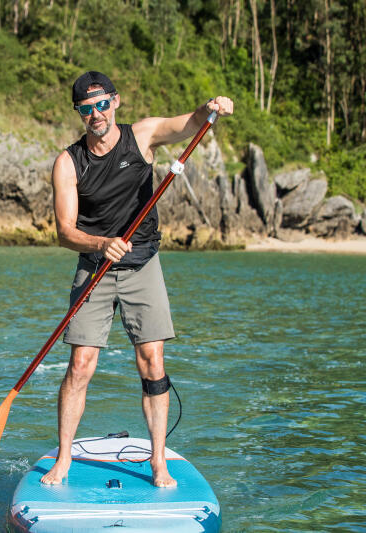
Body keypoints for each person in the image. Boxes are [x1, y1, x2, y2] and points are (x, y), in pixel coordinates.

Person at [41, 72, 233, 487]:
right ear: (79, 113)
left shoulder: (141, 136)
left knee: (152, 361)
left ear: (116, 101)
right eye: (86, 108)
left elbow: (187, 123)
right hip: (95, 265)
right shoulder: (67, 161)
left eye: (102, 104)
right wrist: (99, 243)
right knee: (80, 365)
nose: (97, 114)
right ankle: (64, 460)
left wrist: (210, 107)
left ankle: (158, 462)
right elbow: (64, 230)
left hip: (143, 262)